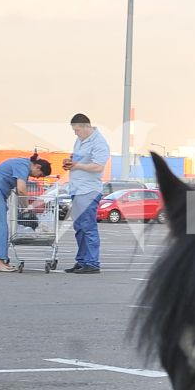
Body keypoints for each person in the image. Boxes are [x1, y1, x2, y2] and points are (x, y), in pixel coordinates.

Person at [0, 154, 52, 272]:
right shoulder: (23, 165)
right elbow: (21, 189)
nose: (37, 178)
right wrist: (26, 208)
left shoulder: (22, 163)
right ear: (38, 167)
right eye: (39, 175)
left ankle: (1, 260)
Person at [61, 114, 110, 274]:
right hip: (76, 189)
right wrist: (70, 162)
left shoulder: (99, 143)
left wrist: (77, 165)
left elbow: (98, 167)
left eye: (76, 130)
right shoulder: (80, 141)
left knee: (88, 226)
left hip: (88, 190)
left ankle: (92, 262)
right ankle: (82, 260)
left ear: (85, 126)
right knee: (79, 227)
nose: (75, 133)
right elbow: (78, 161)